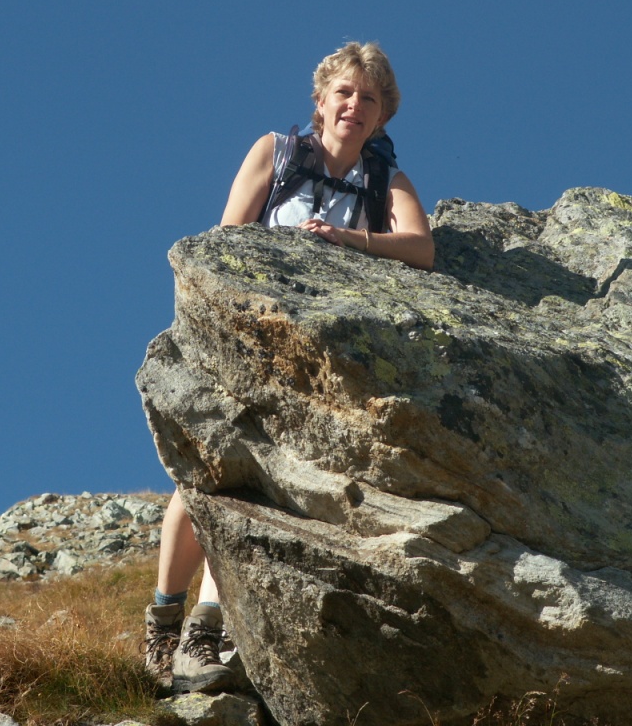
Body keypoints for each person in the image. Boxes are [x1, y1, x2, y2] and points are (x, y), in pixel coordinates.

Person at [143, 41, 434, 694]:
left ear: (383, 116)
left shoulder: (387, 183)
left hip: (313, 367)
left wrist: (347, 238)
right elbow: (222, 242)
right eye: (344, 93)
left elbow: (421, 249)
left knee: (259, 493)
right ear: (320, 101)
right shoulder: (275, 153)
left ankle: (202, 635)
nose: (355, 106)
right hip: (241, 341)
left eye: (369, 98)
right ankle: (163, 625)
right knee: (203, 478)